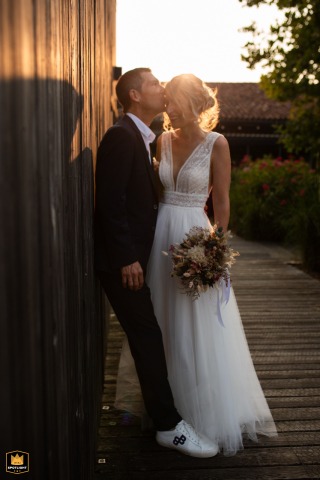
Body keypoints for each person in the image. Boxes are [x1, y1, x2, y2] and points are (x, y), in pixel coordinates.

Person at [116, 73, 277, 456]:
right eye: (165, 99)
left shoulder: (217, 144)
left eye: (173, 101)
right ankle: (166, 411)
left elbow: (221, 205)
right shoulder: (162, 142)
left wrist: (214, 254)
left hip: (196, 239)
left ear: (192, 103)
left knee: (198, 326)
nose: (167, 107)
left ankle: (202, 412)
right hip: (161, 240)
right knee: (162, 322)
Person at [94, 68, 219, 458]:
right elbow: (109, 205)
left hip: (141, 257)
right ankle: (168, 426)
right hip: (123, 264)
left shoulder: (142, 138)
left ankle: (167, 421)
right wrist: (128, 258)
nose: (161, 88)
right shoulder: (121, 136)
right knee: (148, 337)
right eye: (153, 84)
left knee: (150, 335)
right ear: (134, 95)